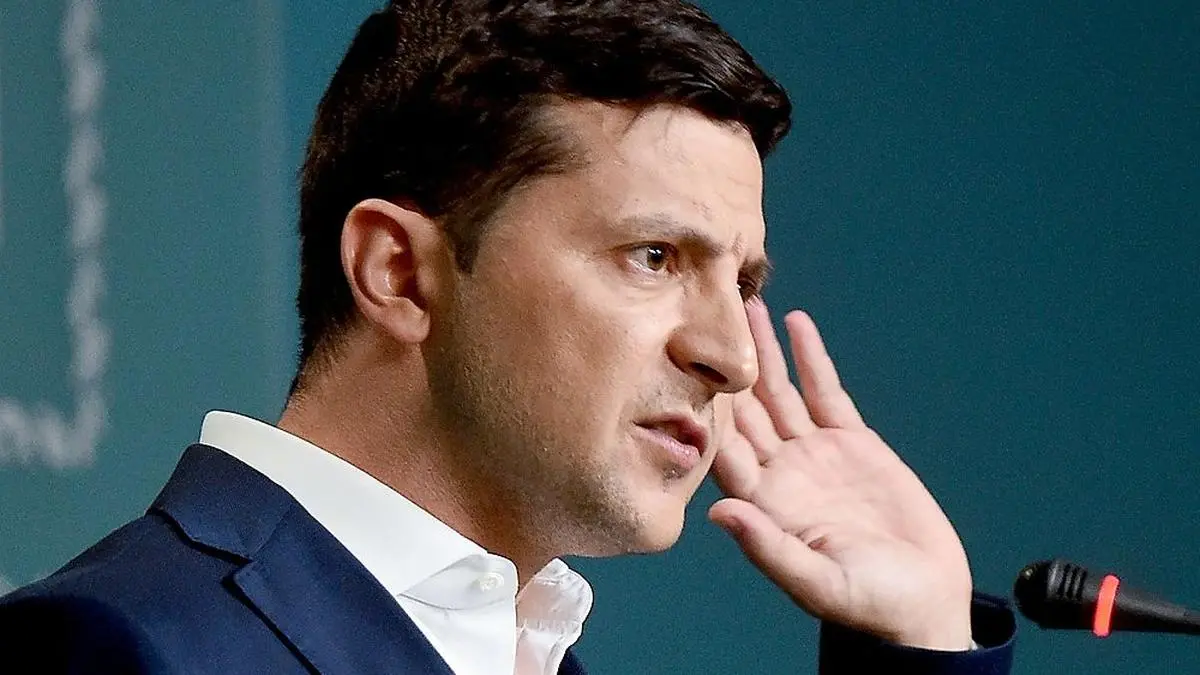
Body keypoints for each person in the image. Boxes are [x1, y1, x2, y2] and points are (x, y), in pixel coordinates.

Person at [0, 0, 1016, 672]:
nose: (733, 358)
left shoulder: (523, 652)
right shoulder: (120, 646)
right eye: (655, 255)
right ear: (399, 272)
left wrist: (920, 636)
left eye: (742, 280)